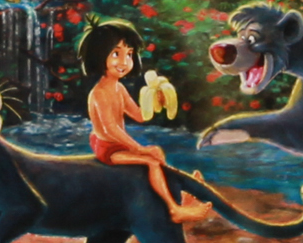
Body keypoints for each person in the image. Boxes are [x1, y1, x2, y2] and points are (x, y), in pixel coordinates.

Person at [80, 19, 208, 225]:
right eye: (116, 54)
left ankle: (181, 194)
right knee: (151, 161)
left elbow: (140, 115)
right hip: (107, 148)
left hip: (118, 144)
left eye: (129, 54)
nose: (124, 62)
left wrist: (157, 102)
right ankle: (173, 208)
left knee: (156, 153)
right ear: (98, 56)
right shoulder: (99, 93)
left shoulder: (119, 88)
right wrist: (139, 149)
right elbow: (110, 129)